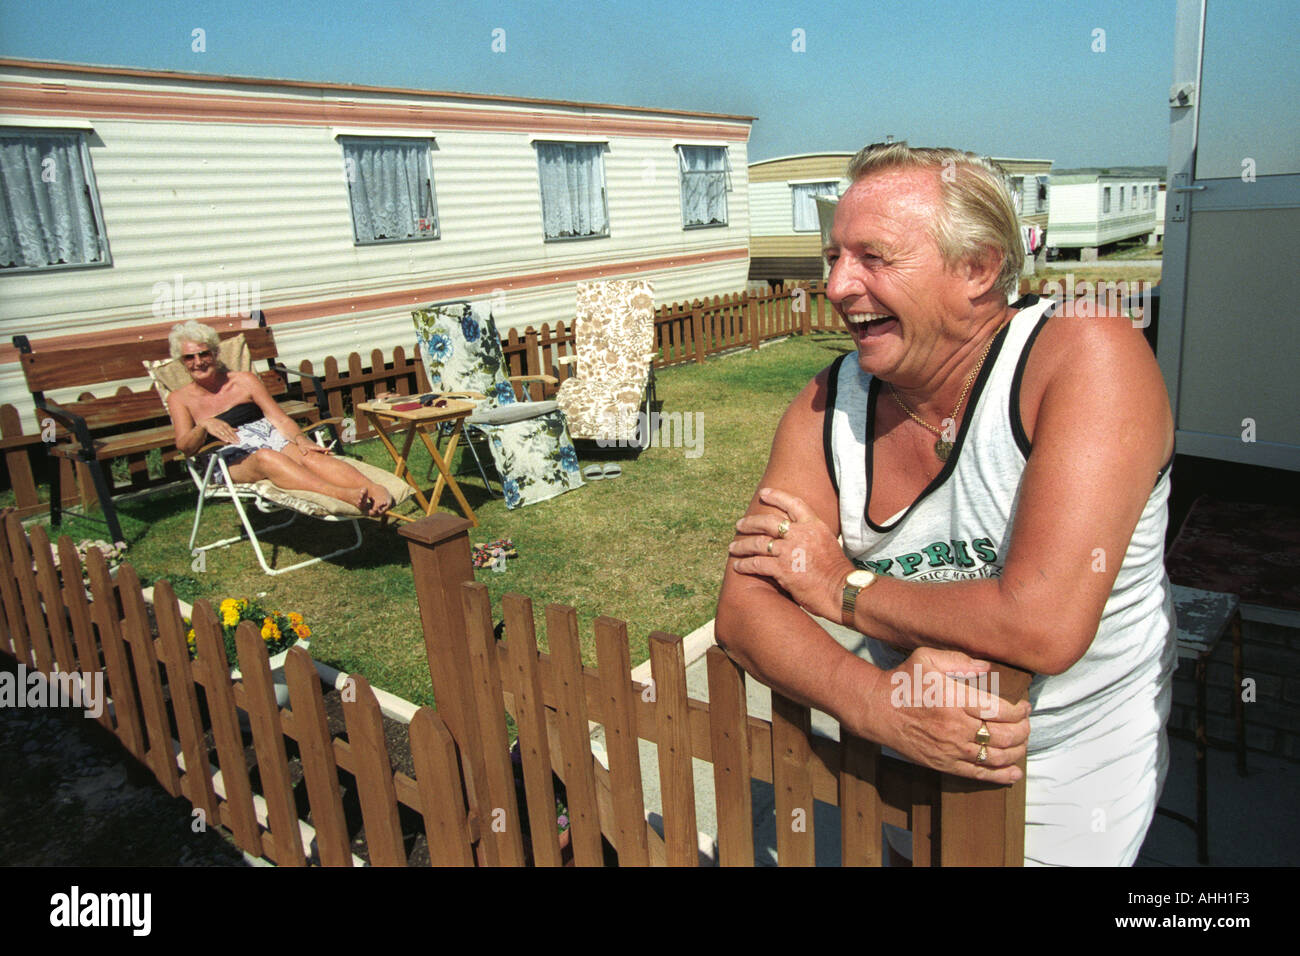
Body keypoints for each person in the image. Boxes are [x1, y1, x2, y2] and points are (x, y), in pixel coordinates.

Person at [715, 142, 1175, 866]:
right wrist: (873, 703)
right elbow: (743, 612)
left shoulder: (1087, 354)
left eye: (873, 256)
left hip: (1065, 777)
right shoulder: (825, 405)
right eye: (832, 256)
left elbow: (1040, 623)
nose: (837, 285)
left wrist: (840, 585)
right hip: (906, 755)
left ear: (978, 270)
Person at [165, 320, 393, 516]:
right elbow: (185, 447)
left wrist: (300, 439)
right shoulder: (179, 398)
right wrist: (204, 425)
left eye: (203, 353)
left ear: (215, 354)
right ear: (182, 362)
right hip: (227, 458)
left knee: (308, 456)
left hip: (270, 437)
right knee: (266, 457)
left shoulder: (244, 380)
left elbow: (280, 419)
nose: (198, 362)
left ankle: (372, 487)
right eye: (189, 357)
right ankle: (342, 495)